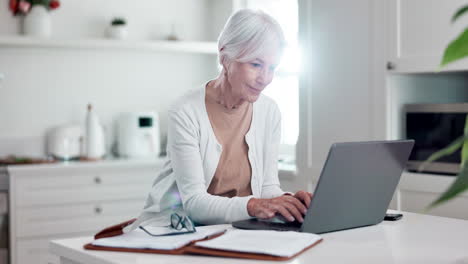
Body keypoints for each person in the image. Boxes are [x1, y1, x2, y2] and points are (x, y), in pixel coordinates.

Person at [125, 9, 311, 232]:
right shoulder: (185, 111)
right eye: (256, 64)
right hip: (174, 229)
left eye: (272, 68)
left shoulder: (270, 111)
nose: (265, 79)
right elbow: (194, 204)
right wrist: (253, 205)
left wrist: (289, 203)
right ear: (225, 57)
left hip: (230, 231)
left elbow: (268, 188)